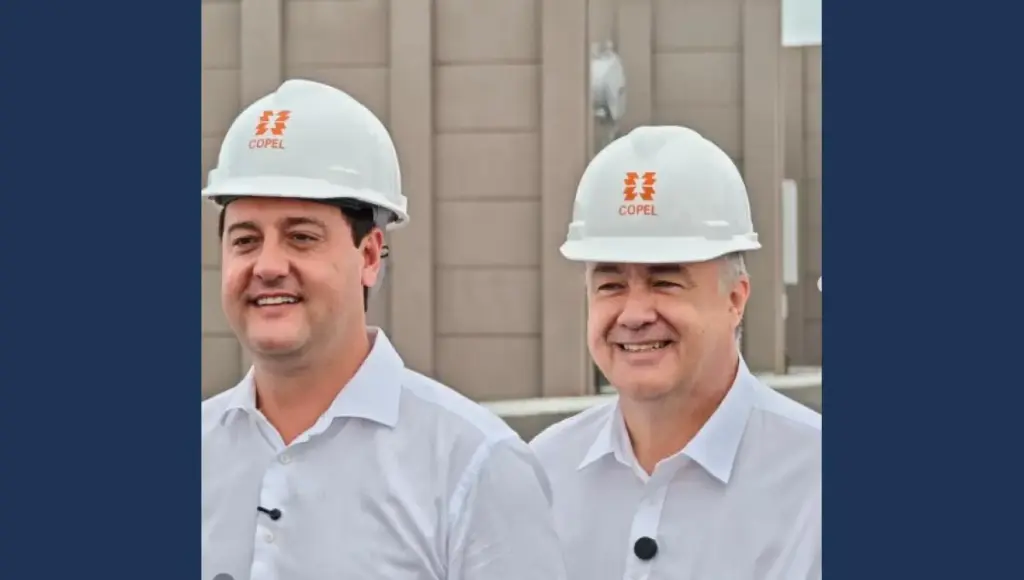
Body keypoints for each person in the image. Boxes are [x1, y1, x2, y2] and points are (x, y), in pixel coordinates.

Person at [201, 79, 567, 580]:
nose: (267, 266)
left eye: (301, 237)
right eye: (245, 240)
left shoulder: (474, 465)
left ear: (370, 256)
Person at [530, 125, 821, 580]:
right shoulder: (543, 473)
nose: (634, 314)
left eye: (665, 282)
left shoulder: (815, 479)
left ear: (736, 299)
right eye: (611, 285)